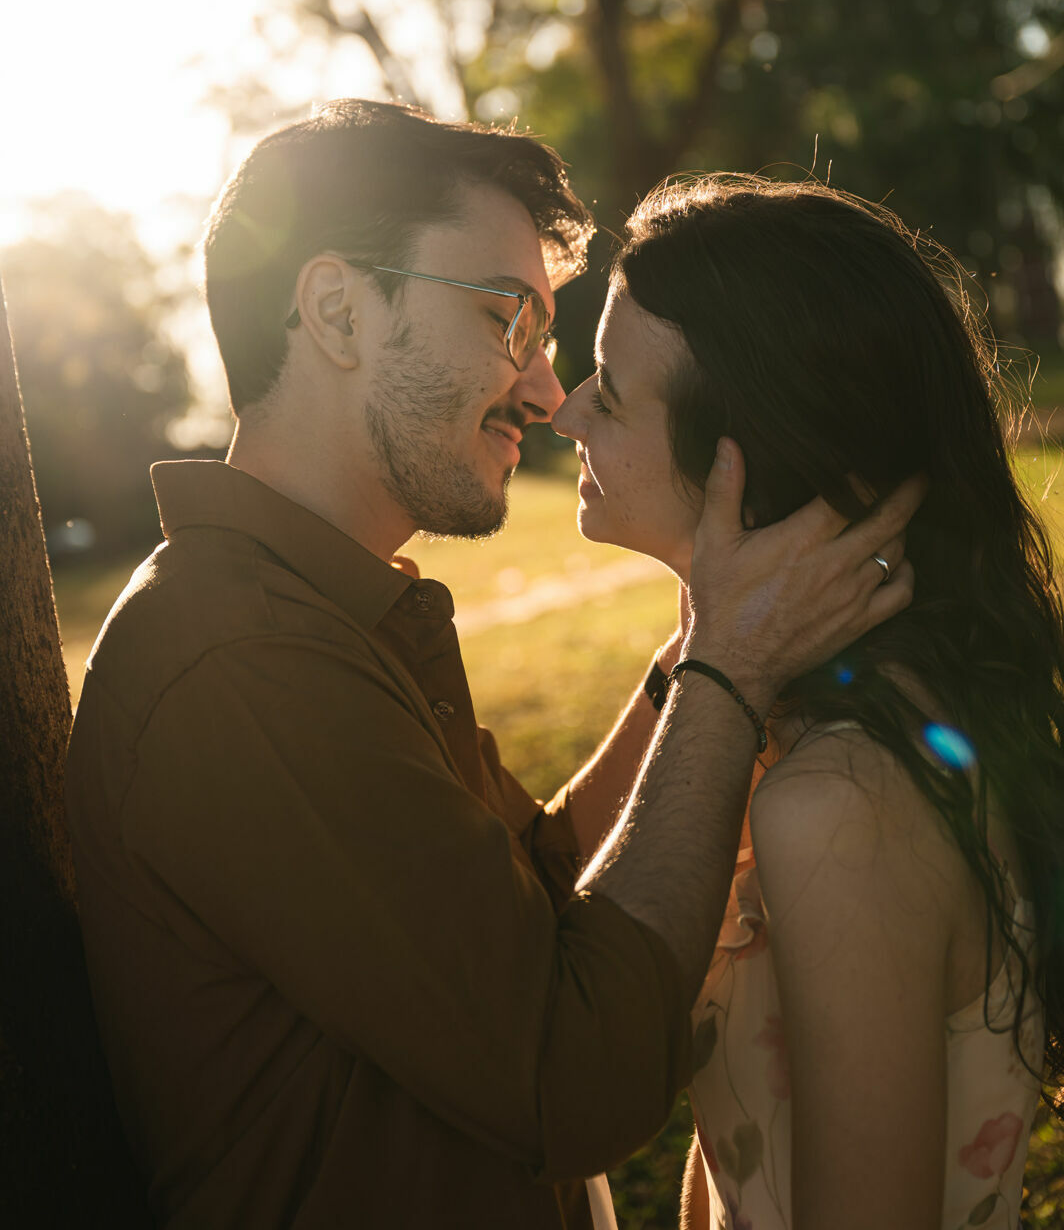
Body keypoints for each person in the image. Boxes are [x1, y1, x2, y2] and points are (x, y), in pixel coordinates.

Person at [65, 101, 918, 1230]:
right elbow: (575, 1074)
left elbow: (543, 882)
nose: (546, 390)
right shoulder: (239, 657)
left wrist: (697, 650)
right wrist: (725, 671)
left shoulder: (315, 610)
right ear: (335, 309)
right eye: (507, 318)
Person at [553, 173, 1064, 1230]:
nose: (563, 410)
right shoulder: (792, 723)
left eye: (605, 388)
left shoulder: (839, 803)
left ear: (748, 457)